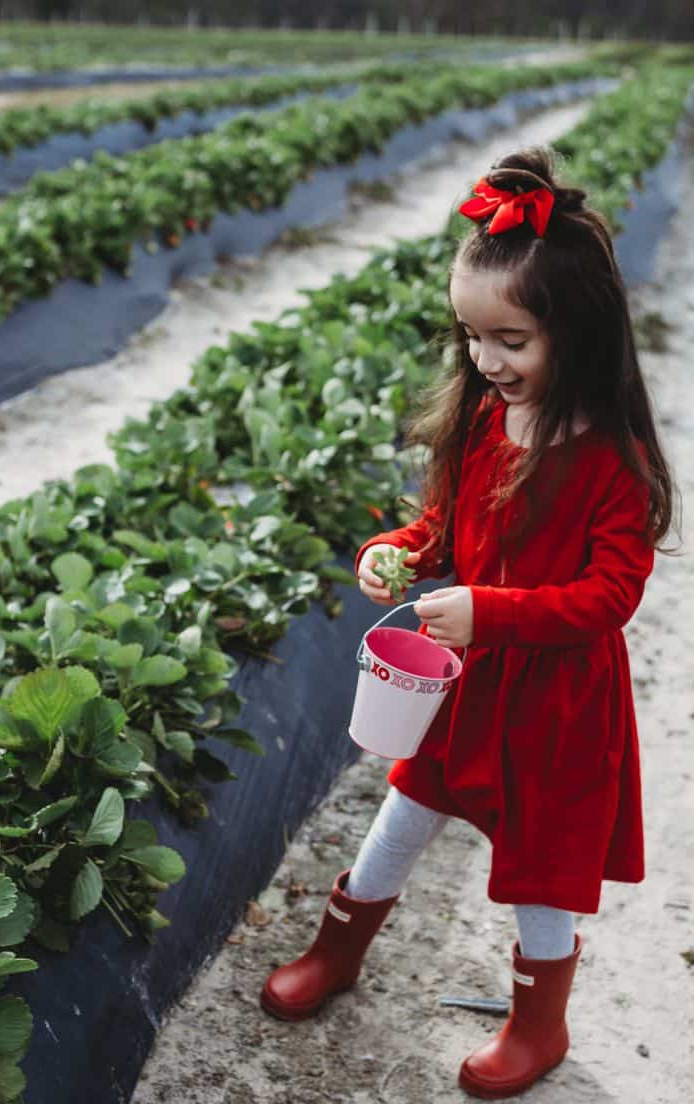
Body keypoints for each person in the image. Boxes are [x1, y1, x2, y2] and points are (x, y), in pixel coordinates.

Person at [259, 147, 677, 1099]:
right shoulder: (487, 426)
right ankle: (336, 953)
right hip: (466, 688)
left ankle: (540, 1025)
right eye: (472, 338)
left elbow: (608, 599)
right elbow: (445, 527)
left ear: (580, 334)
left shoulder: (615, 465)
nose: (486, 361)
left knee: (540, 870)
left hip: (559, 705)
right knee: (401, 818)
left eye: (511, 340)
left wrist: (490, 610)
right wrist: (397, 550)